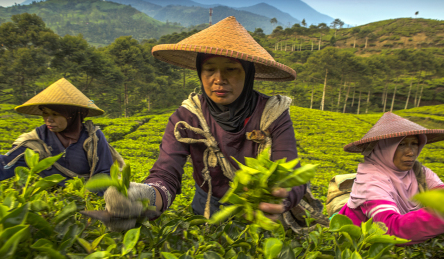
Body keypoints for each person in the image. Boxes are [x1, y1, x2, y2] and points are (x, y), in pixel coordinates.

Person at [103, 16, 308, 229]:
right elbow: (166, 173)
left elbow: (289, 168)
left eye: (231, 69)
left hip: (259, 211)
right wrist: (147, 197)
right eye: (210, 69)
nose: (219, 79)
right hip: (208, 206)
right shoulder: (187, 118)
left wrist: (280, 198)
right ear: (200, 72)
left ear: (248, 73)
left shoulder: (272, 113)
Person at [339, 112, 444, 244]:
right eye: (401, 145)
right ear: (384, 148)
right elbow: (390, 228)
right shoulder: (370, 180)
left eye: (414, 144)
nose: (411, 152)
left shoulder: (419, 172)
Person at [0, 78, 115, 184]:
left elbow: (104, 172)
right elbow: (3, 166)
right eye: (45, 113)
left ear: (72, 115)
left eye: (55, 114)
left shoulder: (92, 137)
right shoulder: (36, 139)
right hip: (52, 202)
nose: (49, 120)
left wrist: (88, 198)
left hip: (88, 198)